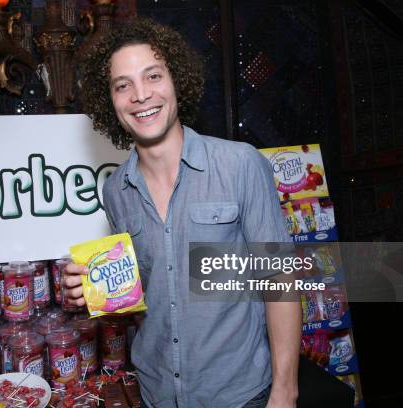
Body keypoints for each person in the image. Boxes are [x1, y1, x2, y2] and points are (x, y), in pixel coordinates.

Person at [64, 18, 301, 408]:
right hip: (157, 394)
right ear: (111, 100)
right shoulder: (115, 191)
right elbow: (140, 291)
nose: (141, 95)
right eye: (123, 85)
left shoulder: (240, 164)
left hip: (241, 397)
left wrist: (285, 392)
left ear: (176, 81)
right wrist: (91, 286)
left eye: (153, 76)